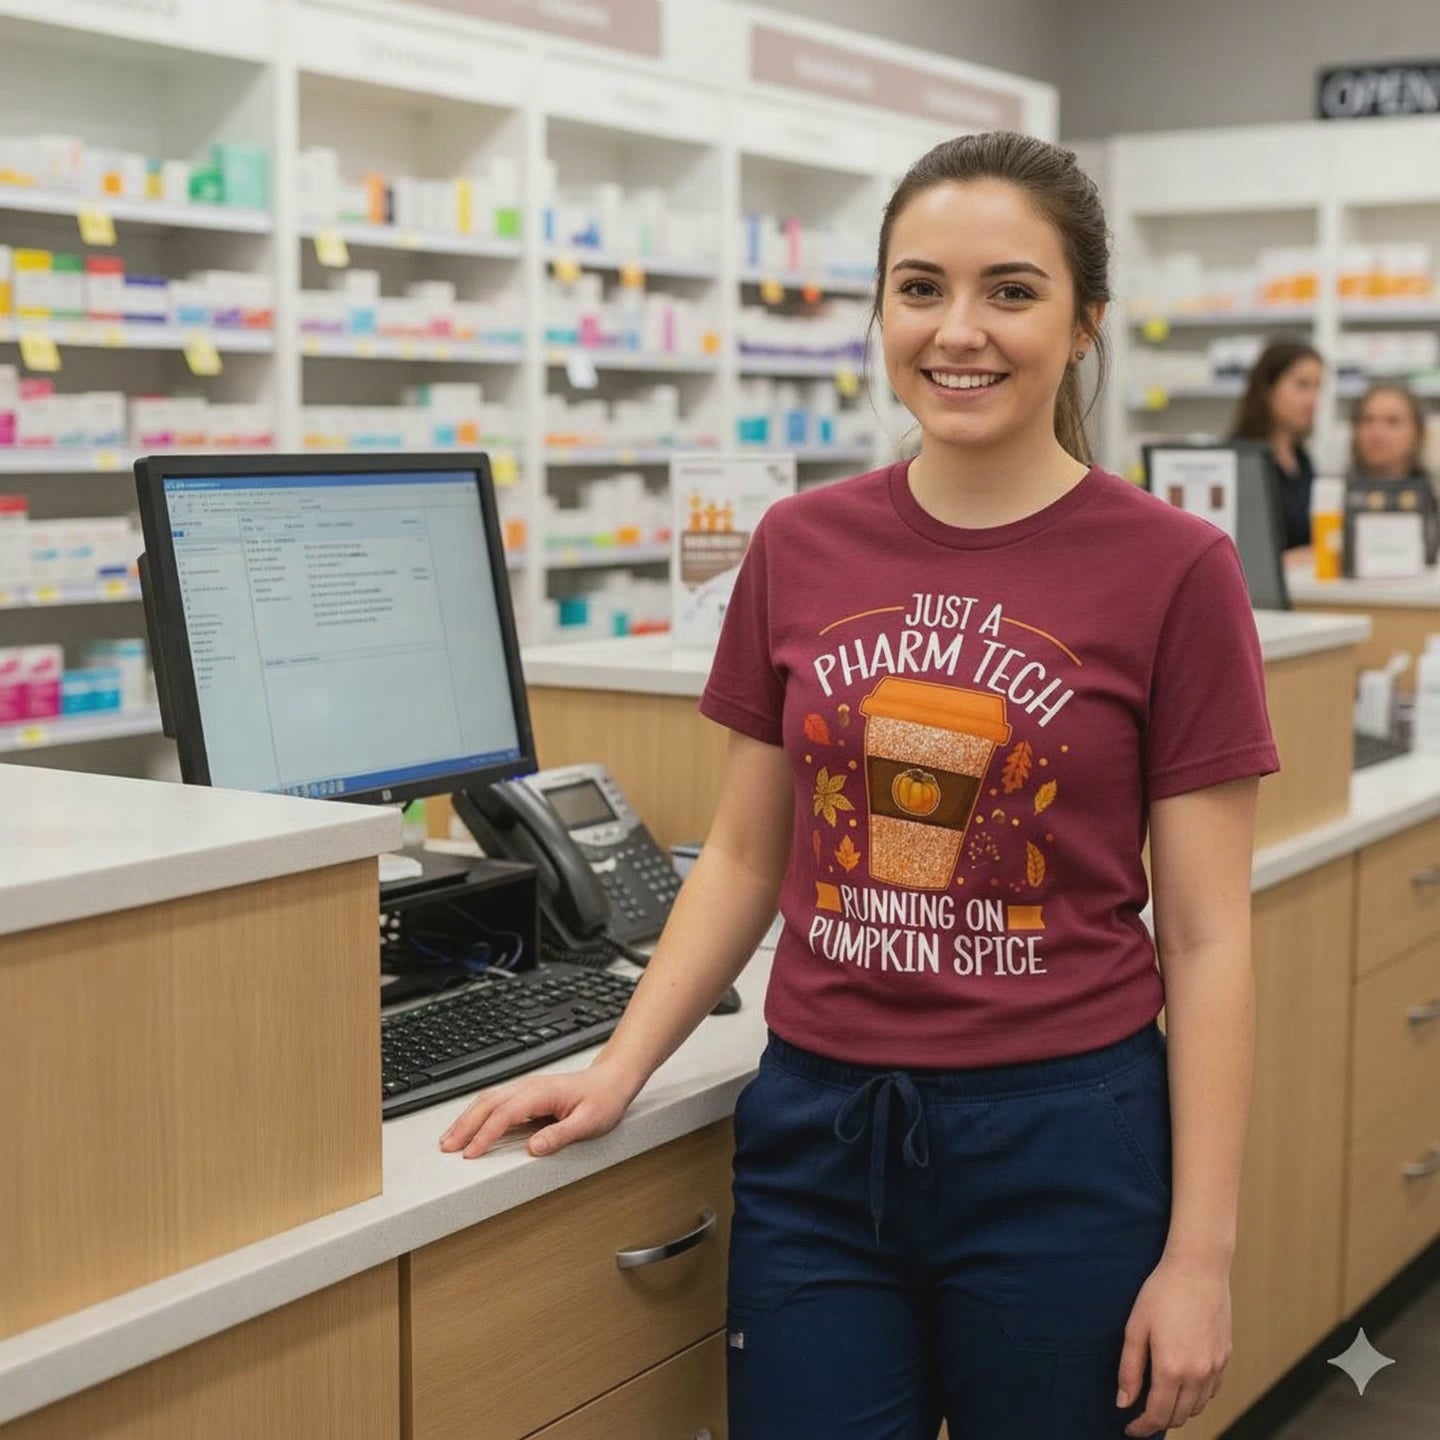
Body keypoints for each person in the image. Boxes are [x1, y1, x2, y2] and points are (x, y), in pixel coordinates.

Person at [440, 132, 1279, 1440]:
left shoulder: (1175, 569)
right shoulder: (800, 545)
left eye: (1012, 290)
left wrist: (1203, 1257)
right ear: (881, 310)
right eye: (919, 287)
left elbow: (1212, 934)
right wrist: (619, 1070)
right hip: (820, 1136)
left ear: (1086, 323)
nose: (960, 331)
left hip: (1066, 1138)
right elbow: (739, 854)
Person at [1228, 337, 1325, 550]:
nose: (1312, 400)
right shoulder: (1240, 459)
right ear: (1267, 389)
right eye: (1302, 386)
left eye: (1317, 387)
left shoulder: (1301, 459)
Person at [1347, 380, 1438, 566]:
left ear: (1417, 432)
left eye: (1392, 422)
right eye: (1367, 420)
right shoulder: (1332, 498)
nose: (1377, 432)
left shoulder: (1433, 496)